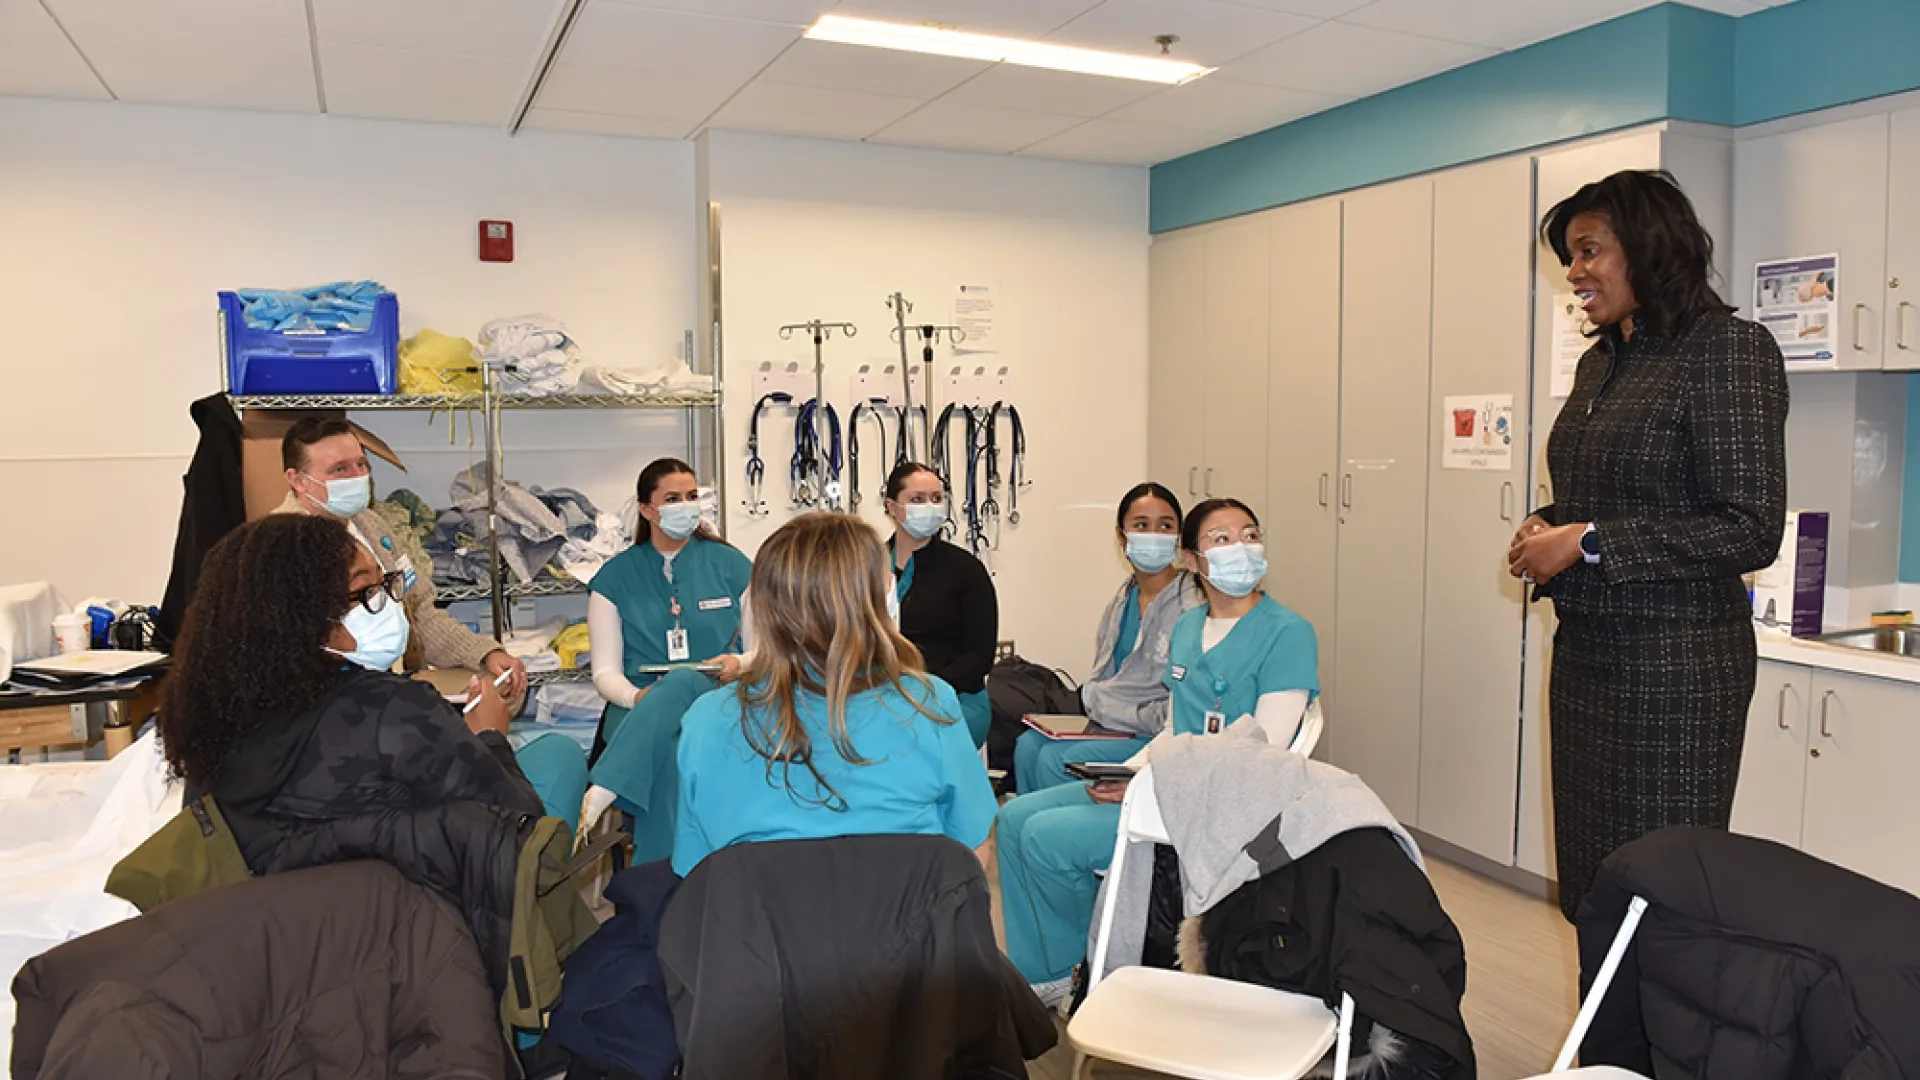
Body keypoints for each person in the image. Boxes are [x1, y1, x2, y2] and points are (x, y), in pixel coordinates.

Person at [1508, 169, 1788, 923]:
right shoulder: (1601, 361)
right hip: (1589, 655)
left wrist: (1589, 541)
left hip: (1675, 672)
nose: (1575, 273)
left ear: (1647, 248)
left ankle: (1659, 1044)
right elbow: (1606, 496)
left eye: (1589, 250)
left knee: (1660, 896)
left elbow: (1750, 524)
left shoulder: (1728, 350)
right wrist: (1551, 524)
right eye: (1570, 255)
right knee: (1594, 887)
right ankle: (1603, 1037)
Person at [152, 514, 546, 986]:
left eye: (386, 586)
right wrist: (490, 737)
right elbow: (518, 833)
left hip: (282, 964)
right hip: (418, 955)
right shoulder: (393, 711)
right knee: (555, 759)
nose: (388, 608)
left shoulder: (212, 722)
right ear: (298, 614)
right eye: (366, 593)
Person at [995, 497, 1319, 1004]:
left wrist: (1148, 784)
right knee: (1015, 820)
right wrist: (1126, 773)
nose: (1242, 548)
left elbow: (1265, 752)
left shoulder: (1288, 633)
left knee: (1045, 838)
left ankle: (1079, 972)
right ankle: (1044, 974)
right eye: (1222, 538)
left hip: (1217, 807)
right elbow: (1173, 728)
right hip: (1163, 786)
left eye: (1250, 534)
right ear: (1192, 559)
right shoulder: (1191, 628)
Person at [672, 512, 996, 877]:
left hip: (758, 931)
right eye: (887, 580)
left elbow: (695, 874)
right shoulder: (926, 702)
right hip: (903, 929)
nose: (893, 584)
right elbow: (972, 853)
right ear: (871, 602)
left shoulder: (709, 719)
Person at [277, 417, 527, 701]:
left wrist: (484, 653)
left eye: (361, 464)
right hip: (337, 693)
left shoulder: (371, 525)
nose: (358, 476)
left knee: (501, 689)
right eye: (340, 469)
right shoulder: (282, 550)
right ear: (297, 480)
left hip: (399, 677)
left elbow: (420, 610)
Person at [585, 457, 753, 862]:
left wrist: (740, 665)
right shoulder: (613, 578)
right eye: (673, 498)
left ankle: (612, 793)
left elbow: (763, 648)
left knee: (682, 683)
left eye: (692, 496)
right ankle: (681, 877)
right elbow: (605, 672)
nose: (686, 506)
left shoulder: (733, 566)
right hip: (639, 704)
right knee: (674, 746)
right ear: (647, 509)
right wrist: (637, 699)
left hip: (720, 693)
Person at [1013, 483, 1203, 794]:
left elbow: (1177, 709)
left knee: (1055, 759)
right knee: (1027, 746)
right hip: (1113, 724)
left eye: (1165, 526)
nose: (1153, 534)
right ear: (1121, 535)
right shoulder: (1123, 599)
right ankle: (1029, 834)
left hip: (1153, 733)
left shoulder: (1191, 605)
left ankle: (1065, 836)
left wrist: (1107, 708)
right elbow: (1105, 681)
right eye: (1141, 525)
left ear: (1179, 537)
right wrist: (1102, 708)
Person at [884, 462, 998, 748]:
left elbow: (979, 657)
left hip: (953, 697)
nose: (929, 507)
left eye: (936, 498)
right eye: (917, 499)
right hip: (882, 696)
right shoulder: (865, 567)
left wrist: (921, 689)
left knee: (906, 740)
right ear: (892, 507)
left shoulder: (965, 570)